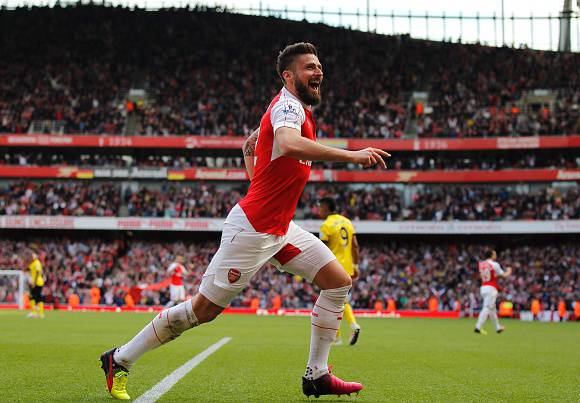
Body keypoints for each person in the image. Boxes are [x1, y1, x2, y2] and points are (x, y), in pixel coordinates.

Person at [100, 42, 390, 400]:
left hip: (280, 229)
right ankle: (120, 358)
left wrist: (249, 156)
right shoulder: (287, 107)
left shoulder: (294, 108)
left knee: (337, 281)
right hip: (252, 230)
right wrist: (352, 156)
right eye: (309, 68)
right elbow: (289, 143)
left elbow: (265, 179)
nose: (318, 73)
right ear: (288, 75)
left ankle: (317, 375)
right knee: (200, 312)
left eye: (319, 66)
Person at [318, 197, 362, 346]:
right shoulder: (347, 222)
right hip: (347, 268)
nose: (319, 211)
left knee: (330, 301)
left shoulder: (326, 225)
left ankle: (348, 328)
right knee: (338, 301)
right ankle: (339, 335)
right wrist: (355, 266)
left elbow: (321, 249)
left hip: (333, 267)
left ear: (325, 207)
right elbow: (355, 246)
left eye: (320, 207)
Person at [474, 249, 512, 335]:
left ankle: (497, 327)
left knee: (492, 309)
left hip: (483, 287)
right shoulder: (494, 264)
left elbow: (482, 275)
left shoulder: (481, 264)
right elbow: (504, 275)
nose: (496, 255)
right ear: (491, 255)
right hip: (491, 288)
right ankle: (478, 327)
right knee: (487, 307)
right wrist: (509, 270)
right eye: (495, 254)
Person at [25, 251, 45, 319]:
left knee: (37, 297)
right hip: (33, 282)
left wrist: (34, 282)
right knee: (31, 297)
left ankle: (40, 313)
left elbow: (37, 273)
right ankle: (34, 312)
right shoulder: (32, 263)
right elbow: (27, 269)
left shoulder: (37, 263)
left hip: (38, 282)